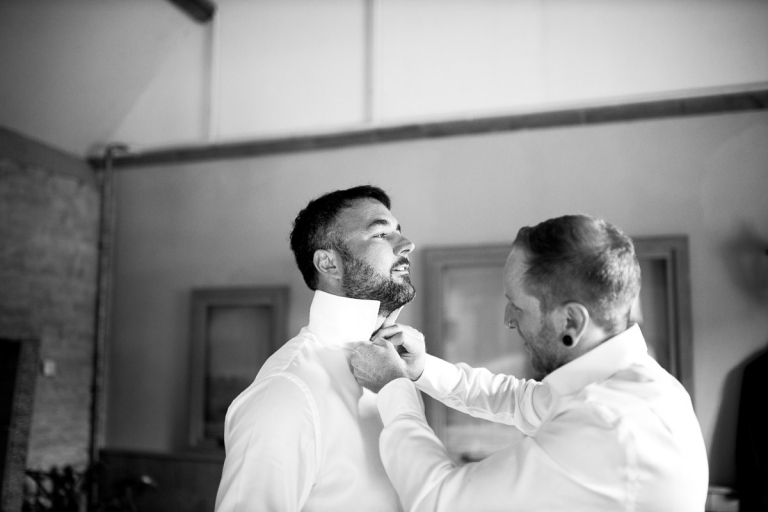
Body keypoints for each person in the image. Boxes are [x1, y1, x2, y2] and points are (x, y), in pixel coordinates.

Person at [352, 214, 709, 511]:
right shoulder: (627, 385)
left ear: (571, 322)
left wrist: (394, 389)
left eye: (517, 305)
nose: (508, 319)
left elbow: (441, 500)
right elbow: (518, 399)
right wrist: (422, 369)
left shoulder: (605, 428)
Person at [214, 185, 415, 512]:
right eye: (380, 234)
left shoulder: (398, 367)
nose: (407, 245)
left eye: (399, 232)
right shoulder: (285, 393)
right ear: (329, 263)